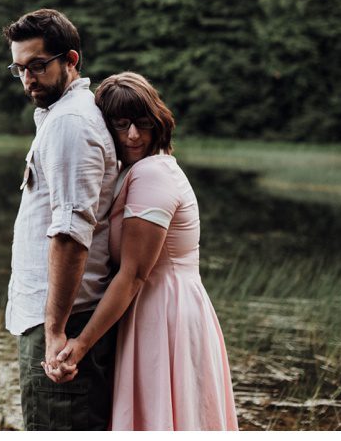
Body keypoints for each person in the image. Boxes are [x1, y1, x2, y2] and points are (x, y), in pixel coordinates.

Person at [45, 71, 239, 431]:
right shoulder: (137, 170)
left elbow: (133, 274)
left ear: (158, 122)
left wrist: (82, 343)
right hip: (163, 303)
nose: (133, 135)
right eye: (120, 125)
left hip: (162, 309)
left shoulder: (152, 174)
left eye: (142, 123)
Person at [1, 8, 120, 431]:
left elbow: (71, 236)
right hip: (58, 315)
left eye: (37, 65)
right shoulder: (63, 116)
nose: (28, 78)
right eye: (19, 69)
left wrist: (54, 331)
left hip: (64, 321)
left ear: (71, 60)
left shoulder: (70, 123)